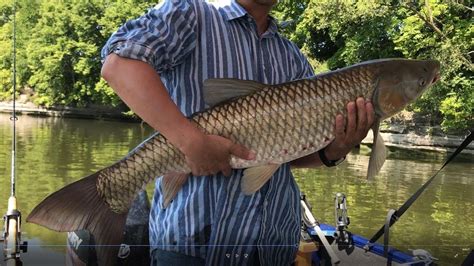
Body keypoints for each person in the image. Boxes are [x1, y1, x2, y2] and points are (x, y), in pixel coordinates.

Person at [100, 0, 374, 265]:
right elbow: (119, 65)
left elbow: (293, 154)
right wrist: (190, 140)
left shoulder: (292, 57)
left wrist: (334, 151)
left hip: (274, 247)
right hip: (191, 248)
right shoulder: (191, 12)